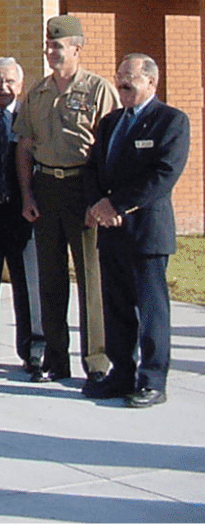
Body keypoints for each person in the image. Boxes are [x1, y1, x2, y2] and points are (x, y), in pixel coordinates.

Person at [15, 15, 117, 387]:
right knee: (50, 279)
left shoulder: (98, 90)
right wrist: (27, 194)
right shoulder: (38, 93)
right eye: (48, 45)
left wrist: (100, 199)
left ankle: (96, 361)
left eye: (58, 46)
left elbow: (108, 148)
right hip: (46, 189)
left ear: (77, 47)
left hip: (83, 189)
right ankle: (57, 358)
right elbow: (25, 147)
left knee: (90, 277)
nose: (51, 51)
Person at [83, 55, 190, 407]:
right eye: (119, 77)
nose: (122, 83)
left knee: (151, 309)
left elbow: (163, 174)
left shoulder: (171, 120)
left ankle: (153, 379)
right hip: (111, 231)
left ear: (151, 82)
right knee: (116, 307)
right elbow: (93, 168)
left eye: (129, 78)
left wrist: (118, 205)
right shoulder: (111, 122)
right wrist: (99, 204)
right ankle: (121, 374)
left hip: (147, 233)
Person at [0, 57, 45, 376]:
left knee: (28, 284)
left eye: (9, 82)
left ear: (20, 85)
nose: (2, 87)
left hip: (22, 213)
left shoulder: (31, 118)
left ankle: (34, 350)